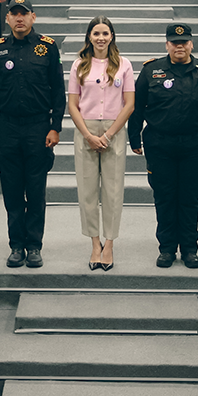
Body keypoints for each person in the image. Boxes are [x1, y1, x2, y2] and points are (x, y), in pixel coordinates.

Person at [128, 23, 198, 269]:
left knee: (190, 198)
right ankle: (167, 248)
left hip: (195, 144)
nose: (179, 46)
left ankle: (190, 249)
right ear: (167, 44)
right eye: (174, 42)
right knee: (164, 197)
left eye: (184, 42)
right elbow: (137, 107)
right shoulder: (152, 71)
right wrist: (134, 136)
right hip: (160, 144)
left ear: (191, 44)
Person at [0, 0, 65, 269]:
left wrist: (55, 127)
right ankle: (16, 245)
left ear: (33, 17)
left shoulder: (48, 48)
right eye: (14, 14)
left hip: (38, 127)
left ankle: (34, 245)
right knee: (12, 190)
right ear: (7, 19)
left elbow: (57, 92)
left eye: (24, 14)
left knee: (36, 189)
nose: (19, 18)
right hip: (7, 126)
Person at [67, 18, 134, 270]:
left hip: (113, 131)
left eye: (105, 33)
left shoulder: (123, 65)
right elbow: (73, 104)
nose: (101, 38)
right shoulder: (79, 65)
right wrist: (88, 135)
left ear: (112, 36)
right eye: (96, 33)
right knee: (87, 191)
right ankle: (95, 243)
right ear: (89, 36)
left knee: (113, 190)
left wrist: (107, 136)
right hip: (86, 130)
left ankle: (110, 243)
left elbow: (129, 104)